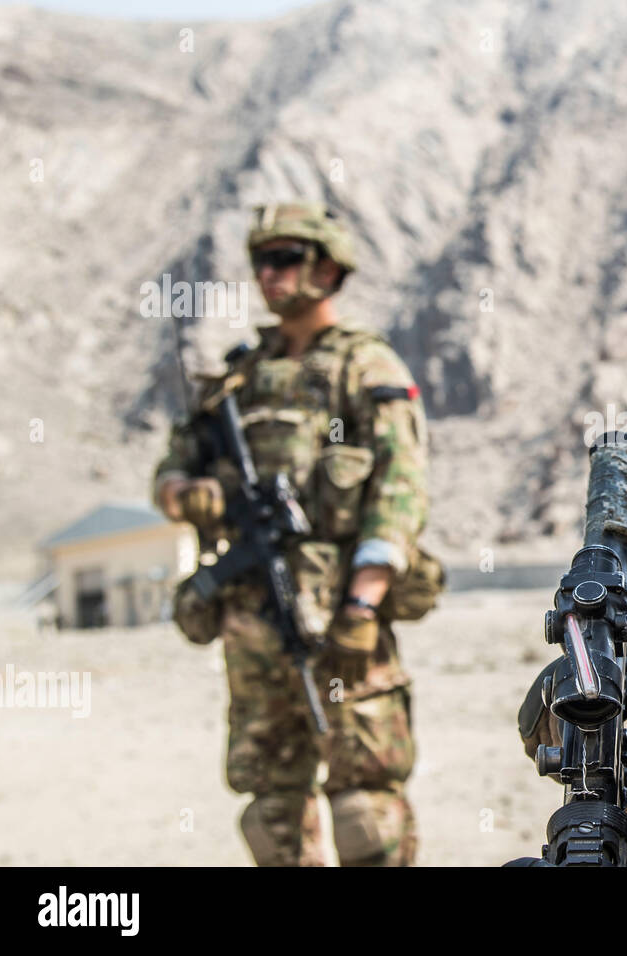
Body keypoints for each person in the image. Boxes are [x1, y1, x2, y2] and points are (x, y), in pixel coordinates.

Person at [153, 201, 430, 866]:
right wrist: (183, 493)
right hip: (253, 626)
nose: (268, 275)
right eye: (260, 261)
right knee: (271, 814)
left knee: (366, 811)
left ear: (327, 267)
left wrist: (363, 605)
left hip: (339, 622)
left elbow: (400, 493)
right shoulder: (236, 381)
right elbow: (172, 467)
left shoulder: (366, 368)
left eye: (284, 259)